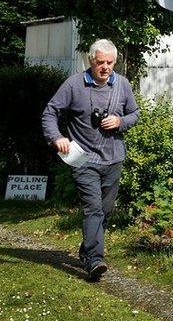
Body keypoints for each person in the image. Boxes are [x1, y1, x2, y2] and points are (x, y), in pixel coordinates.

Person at [41, 38, 139, 280]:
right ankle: (95, 259)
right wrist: (57, 137)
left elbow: (135, 114)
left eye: (110, 63)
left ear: (115, 62)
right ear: (90, 61)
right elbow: (50, 112)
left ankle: (87, 252)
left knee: (105, 211)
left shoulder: (122, 84)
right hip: (83, 159)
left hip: (114, 158)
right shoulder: (74, 84)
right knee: (93, 209)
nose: (105, 67)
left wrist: (120, 121)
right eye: (100, 62)